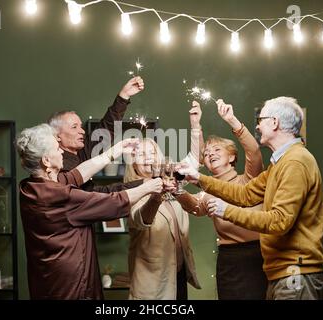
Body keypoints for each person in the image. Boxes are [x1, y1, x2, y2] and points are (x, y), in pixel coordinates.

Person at [178, 97, 323, 300]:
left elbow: (279, 221)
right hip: (281, 270)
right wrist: (198, 178)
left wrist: (224, 210)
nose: (258, 125)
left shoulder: (296, 162)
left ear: (274, 123)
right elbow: (245, 194)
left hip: (294, 270)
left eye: (261, 119)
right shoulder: (280, 163)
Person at [15, 124, 163, 300]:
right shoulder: (58, 196)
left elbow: (78, 174)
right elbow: (114, 201)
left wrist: (115, 150)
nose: (62, 151)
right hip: (70, 286)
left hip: (47, 280)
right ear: (46, 161)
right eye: (57, 148)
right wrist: (152, 185)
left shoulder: (33, 187)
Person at [174, 99, 267, 300]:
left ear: (232, 157)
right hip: (228, 260)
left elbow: (254, 151)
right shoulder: (208, 190)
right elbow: (195, 207)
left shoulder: (249, 179)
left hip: (258, 255)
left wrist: (232, 120)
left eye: (217, 150)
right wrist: (176, 192)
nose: (210, 154)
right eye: (207, 154)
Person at [124, 138, 201, 300]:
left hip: (178, 274)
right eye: (141, 154)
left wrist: (195, 126)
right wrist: (156, 198)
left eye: (152, 153)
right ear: (133, 163)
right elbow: (140, 220)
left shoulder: (171, 184)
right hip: (152, 280)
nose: (148, 158)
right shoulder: (131, 191)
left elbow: (195, 160)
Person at [48, 76, 145, 192]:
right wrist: (142, 184)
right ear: (57, 135)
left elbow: (105, 130)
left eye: (80, 126)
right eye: (74, 127)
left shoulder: (79, 154)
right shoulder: (58, 167)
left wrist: (124, 96)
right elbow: (94, 194)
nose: (82, 131)